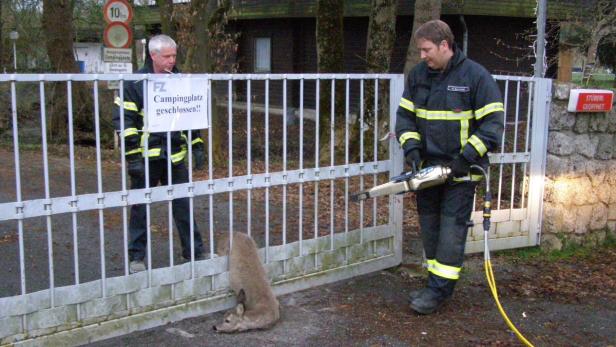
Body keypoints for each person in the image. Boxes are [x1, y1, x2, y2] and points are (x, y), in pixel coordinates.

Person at [395, 20, 504, 314]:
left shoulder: (476, 77)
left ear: (445, 46)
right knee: (430, 229)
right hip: (428, 173)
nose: (422, 56)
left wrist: (464, 159)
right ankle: (434, 282)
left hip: (461, 173)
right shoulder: (418, 76)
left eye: (426, 49)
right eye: (420, 50)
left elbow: (492, 128)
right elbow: (405, 119)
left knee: (450, 233)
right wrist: (413, 149)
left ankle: (439, 292)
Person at [113, 34, 206, 274]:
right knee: (140, 209)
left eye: (174, 55)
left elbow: (189, 115)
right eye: (167, 56)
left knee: (184, 206)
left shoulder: (180, 80)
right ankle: (137, 258)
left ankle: (195, 253)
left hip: (174, 156)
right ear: (153, 55)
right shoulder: (133, 83)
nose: (172, 61)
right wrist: (133, 156)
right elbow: (124, 120)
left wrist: (196, 144)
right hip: (145, 158)